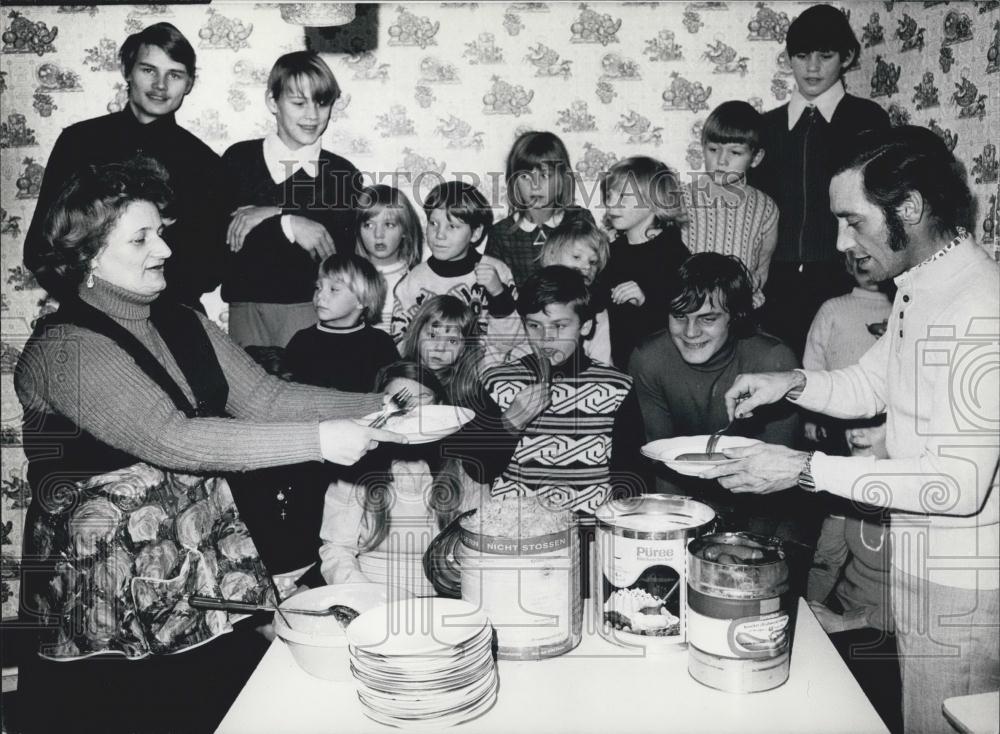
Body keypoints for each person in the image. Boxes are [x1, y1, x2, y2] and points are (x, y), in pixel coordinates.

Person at [12, 157, 404, 734]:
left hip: (199, 551)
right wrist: (321, 440)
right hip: (109, 579)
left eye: (161, 233)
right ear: (89, 255)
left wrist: (386, 407)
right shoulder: (64, 347)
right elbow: (171, 437)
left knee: (219, 707)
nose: (165, 249)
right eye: (141, 238)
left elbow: (266, 398)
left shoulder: (181, 317)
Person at [705, 126, 999, 734]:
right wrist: (789, 381)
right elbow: (869, 384)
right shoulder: (922, 286)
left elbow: (959, 484)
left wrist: (803, 469)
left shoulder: (977, 307)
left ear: (910, 209)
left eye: (853, 221)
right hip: (922, 557)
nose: (842, 241)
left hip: (967, 577)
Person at [22, 22, 226, 311]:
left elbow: (210, 268)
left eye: (175, 75)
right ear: (128, 71)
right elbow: (41, 247)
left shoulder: (205, 164)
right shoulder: (79, 142)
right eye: (148, 70)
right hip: (87, 311)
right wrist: (86, 303)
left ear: (189, 83)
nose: (160, 85)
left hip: (170, 317)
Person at [628, 254, 805, 546]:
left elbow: (775, 479)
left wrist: (747, 548)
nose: (690, 332)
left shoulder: (773, 359)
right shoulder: (648, 360)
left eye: (707, 318)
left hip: (764, 504)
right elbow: (662, 466)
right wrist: (674, 541)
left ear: (734, 316)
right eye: (679, 316)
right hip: (687, 506)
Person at [749, 3, 890, 357]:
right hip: (774, 280)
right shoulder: (766, 127)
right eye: (801, 56)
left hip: (842, 276)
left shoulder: (867, 118)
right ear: (789, 59)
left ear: (847, 57)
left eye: (825, 56)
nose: (811, 68)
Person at [221, 50, 363, 349]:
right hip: (245, 309)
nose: (312, 115)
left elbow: (332, 248)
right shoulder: (238, 159)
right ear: (273, 102)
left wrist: (275, 213)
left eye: (322, 102)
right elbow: (229, 245)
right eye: (298, 103)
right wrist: (291, 224)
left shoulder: (341, 172)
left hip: (310, 307)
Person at [476, 265, 641, 515]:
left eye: (560, 326)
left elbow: (629, 477)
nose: (545, 338)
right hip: (514, 531)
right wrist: (508, 424)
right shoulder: (497, 381)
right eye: (534, 326)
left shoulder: (617, 387)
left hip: (589, 530)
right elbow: (480, 471)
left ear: (585, 326)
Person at [319, 362, 475, 597]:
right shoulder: (353, 469)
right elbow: (337, 551)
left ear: (441, 407)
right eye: (398, 400)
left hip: (442, 602)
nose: (410, 410)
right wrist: (372, 598)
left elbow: (478, 553)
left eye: (422, 398)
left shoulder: (464, 471)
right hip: (369, 599)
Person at [807, 420, 902, 734]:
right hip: (844, 611)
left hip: (895, 629)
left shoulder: (921, 497)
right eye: (851, 423)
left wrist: (846, 622)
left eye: (874, 424)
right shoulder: (846, 481)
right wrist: (808, 612)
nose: (856, 432)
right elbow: (826, 562)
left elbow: (922, 602)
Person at [391, 181, 522, 364]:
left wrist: (498, 293)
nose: (439, 234)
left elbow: (510, 341)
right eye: (433, 223)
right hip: (431, 372)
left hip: (483, 372)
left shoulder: (496, 272)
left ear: (476, 233)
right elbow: (400, 344)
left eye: (452, 226)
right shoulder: (414, 281)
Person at [683, 100, 778, 309]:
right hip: (688, 307)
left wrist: (753, 293)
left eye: (735, 153)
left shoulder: (766, 208)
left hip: (735, 310)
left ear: (756, 157)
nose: (721, 161)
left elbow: (761, 267)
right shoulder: (681, 199)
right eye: (713, 149)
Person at [601, 156, 690, 369]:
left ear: (654, 201)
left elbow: (685, 316)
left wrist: (645, 301)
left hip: (664, 368)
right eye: (609, 195)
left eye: (623, 196)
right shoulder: (612, 252)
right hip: (623, 364)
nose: (611, 203)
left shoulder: (673, 252)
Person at [802, 250, 894, 453]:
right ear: (849, 266)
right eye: (861, 261)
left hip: (883, 420)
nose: (869, 270)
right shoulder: (832, 308)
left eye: (877, 261)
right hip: (836, 414)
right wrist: (813, 415)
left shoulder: (900, 309)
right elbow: (813, 363)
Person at [485, 130, 596, 285]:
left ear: (562, 180)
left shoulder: (580, 220)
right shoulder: (501, 234)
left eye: (544, 176)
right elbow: (497, 298)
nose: (535, 186)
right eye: (525, 177)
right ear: (514, 182)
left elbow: (598, 279)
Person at [283, 254, 399, 392]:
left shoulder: (380, 343)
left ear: (362, 301)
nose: (320, 295)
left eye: (333, 289)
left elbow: (394, 389)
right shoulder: (303, 340)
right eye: (318, 287)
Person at [539, 216, 612, 365]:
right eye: (577, 257)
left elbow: (603, 360)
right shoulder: (534, 302)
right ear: (552, 257)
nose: (586, 266)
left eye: (593, 262)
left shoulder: (597, 312)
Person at [354, 184, 425, 335]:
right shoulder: (350, 278)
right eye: (368, 225)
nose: (378, 234)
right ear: (358, 230)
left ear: (405, 230)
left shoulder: (418, 279)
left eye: (389, 224)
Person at [398, 294, 482, 407]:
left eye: (452, 341)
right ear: (417, 333)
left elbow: (495, 423)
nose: (440, 348)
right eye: (433, 335)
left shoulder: (467, 388)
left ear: (463, 350)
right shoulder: (396, 372)